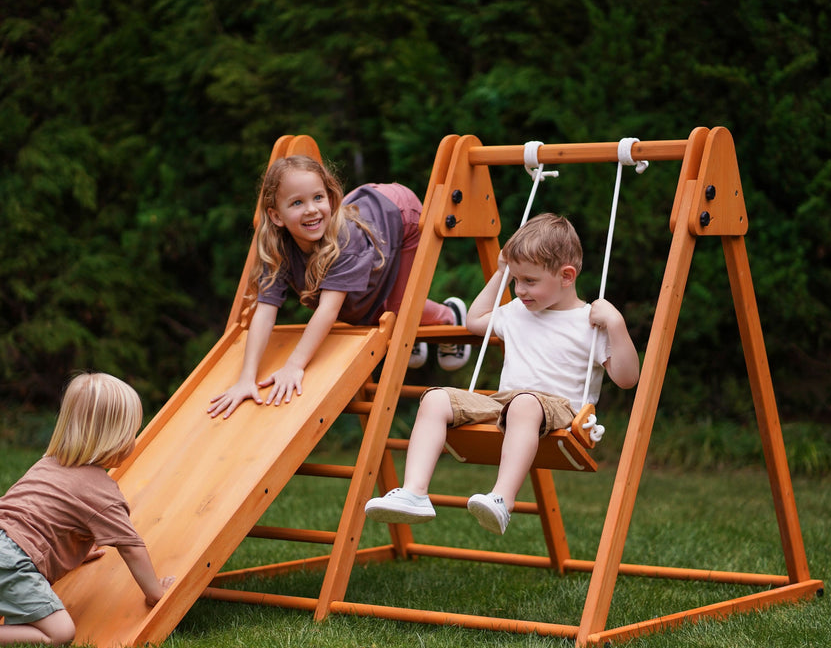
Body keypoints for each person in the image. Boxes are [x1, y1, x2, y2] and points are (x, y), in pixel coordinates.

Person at [365, 213, 640, 534]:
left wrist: (616, 324)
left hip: (562, 411)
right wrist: (500, 273)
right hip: (506, 405)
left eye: (530, 281)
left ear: (567, 276)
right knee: (435, 399)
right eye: (516, 280)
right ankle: (414, 492)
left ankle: (502, 499)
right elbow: (474, 320)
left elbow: (626, 378)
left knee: (524, 404)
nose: (520, 289)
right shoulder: (516, 312)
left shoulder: (590, 321)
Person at [0, 372, 175, 647]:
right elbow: (131, 546)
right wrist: (154, 593)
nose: (134, 441)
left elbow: (38, 518)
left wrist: (75, 553)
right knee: (60, 633)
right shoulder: (102, 491)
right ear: (114, 437)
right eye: (131, 433)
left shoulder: (46, 464)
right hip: (4, 562)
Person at [208, 155, 469, 419]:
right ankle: (413, 327)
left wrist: (294, 365)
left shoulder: (343, 237)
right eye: (297, 202)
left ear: (329, 198)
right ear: (276, 216)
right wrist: (246, 378)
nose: (311, 209)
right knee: (368, 309)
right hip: (369, 209)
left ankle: (449, 316)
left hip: (400, 213)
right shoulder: (276, 246)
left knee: (397, 311)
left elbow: (328, 310)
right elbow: (264, 311)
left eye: (318, 198)